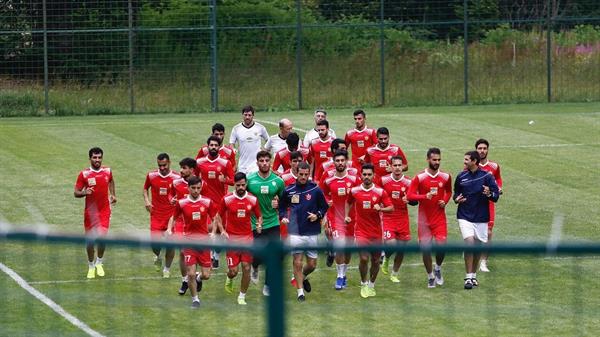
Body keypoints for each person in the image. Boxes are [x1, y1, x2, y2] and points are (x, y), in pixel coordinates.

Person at [166, 176, 218, 309]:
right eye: (193, 188)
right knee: (190, 273)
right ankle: (195, 299)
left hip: (204, 243)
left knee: (206, 275)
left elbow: (215, 218)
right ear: (188, 188)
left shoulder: (207, 202)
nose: (196, 191)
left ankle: (199, 278)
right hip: (188, 241)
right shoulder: (182, 203)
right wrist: (169, 229)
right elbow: (173, 217)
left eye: (198, 188)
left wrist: (212, 233)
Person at [279, 162, 329, 302]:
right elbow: (282, 207)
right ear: (296, 171)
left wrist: (317, 215)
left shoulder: (315, 190)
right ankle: (300, 293)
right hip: (295, 231)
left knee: (312, 264)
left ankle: (301, 276)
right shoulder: (289, 190)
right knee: (297, 262)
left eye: (306, 175)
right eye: (301, 174)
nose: (303, 177)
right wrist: (283, 217)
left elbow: (324, 207)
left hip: (312, 231)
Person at [345, 163, 393, 298]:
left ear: (374, 176)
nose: (366, 177)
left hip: (376, 232)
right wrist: (347, 215)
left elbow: (391, 207)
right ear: (360, 175)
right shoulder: (354, 191)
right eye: (364, 174)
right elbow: (348, 202)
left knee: (376, 261)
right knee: (364, 258)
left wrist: (381, 209)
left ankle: (371, 284)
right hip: (361, 231)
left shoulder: (380, 192)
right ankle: (363, 283)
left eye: (369, 175)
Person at [454, 151, 500, 290]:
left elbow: (496, 195)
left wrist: (489, 193)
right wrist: (457, 199)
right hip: (464, 216)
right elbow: (455, 193)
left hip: (481, 217)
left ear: (474, 161)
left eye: (467, 160)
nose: (464, 162)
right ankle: (468, 277)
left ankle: (473, 275)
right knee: (469, 243)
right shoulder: (461, 176)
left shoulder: (487, 176)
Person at [407, 148, 452, 289]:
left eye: (439, 160)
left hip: (439, 218)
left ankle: (438, 268)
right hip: (424, 221)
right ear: (428, 159)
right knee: (425, 250)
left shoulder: (445, 176)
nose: (437, 162)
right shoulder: (419, 177)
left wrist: (445, 200)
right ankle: (430, 276)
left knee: (442, 247)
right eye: (434, 160)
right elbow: (410, 196)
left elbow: (449, 191)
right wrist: (424, 196)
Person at [246, 150, 286, 296]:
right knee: (257, 254)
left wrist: (279, 204)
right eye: (261, 161)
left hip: (273, 222)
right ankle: (255, 266)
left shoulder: (278, 181)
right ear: (257, 163)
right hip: (255, 223)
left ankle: (268, 285)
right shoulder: (250, 180)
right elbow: (242, 197)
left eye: (266, 161)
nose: (264, 163)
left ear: (270, 162)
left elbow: (285, 201)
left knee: (274, 255)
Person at [220, 172, 263, 305]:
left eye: (243, 185)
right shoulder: (227, 199)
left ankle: (242, 296)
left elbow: (259, 216)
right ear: (234, 184)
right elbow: (217, 216)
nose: (240, 187)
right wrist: (222, 231)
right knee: (233, 271)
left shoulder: (253, 199)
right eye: (238, 185)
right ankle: (229, 277)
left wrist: (259, 224)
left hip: (247, 239)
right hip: (231, 240)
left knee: (246, 267)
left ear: (246, 184)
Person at [320, 150, 361, 290]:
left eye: (342, 160)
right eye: (337, 161)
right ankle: (339, 276)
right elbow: (321, 194)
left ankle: (344, 274)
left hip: (351, 218)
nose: (340, 163)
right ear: (334, 162)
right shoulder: (328, 178)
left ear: (346, 161)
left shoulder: (354, 179)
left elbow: (361, 194)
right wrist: (327, 203)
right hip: (335, 218)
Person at [74, 147, 117, 279]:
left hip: (104, 210)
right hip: (90, 213)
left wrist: (113, 195)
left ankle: (99, 262)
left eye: (99, 157)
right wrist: (84, 193)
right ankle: (91, 265)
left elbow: (111, 181)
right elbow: (76, 192)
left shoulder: (107, 171)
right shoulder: (84, 174)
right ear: (90, 158)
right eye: (94, 157)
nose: (97, 160)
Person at [196, 135, 235, 268]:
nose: (213, 147)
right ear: (207, 147)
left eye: (215, 145)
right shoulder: (200, 162)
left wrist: (225, 180)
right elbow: (193, 178)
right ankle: (207, 254)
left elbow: (233, 180)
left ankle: (216, 256)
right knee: (207, 228)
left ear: (219, 147)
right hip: (204, 202)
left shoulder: (225, 163)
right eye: (211, 145)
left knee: (218, 230)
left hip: (220, 202)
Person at [377, 156, 416, 283]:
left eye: (400, 165)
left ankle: (394, 274)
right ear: (391, 166)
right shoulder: (383, 180)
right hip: (388, 217)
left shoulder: (409, 182)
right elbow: (377, 194)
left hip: (403, 218)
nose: (398, 168)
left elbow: (415, 201)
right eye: (395, 165)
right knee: (392, 245)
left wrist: (409, 200)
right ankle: (386, 258)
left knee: (401, 250)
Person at [143, 153, 180, 278]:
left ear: (169, 162)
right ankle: (158, 256)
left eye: (164, 165)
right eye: (160, 166)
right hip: (156, 215)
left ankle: (167, 269)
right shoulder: (151, 175)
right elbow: (145, 189)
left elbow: (182, 192)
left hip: (171, 216)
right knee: (154, 244)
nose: (162, 168)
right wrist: (147, 201)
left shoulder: (177, 177)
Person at [475, 138, 503, 272]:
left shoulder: (494, 167)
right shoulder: (471, 165)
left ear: (487, 150)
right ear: (476, 150)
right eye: (480, 148)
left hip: (489, 203)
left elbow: (498, 179)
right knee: (474, 233)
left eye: (484, 148)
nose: (482, 151)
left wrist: (498, 188)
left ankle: (483, 262)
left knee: (489, 232)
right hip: (475, 204)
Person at [171, 157, 197, 295]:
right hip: (181, 222)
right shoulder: (175, 183)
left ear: (192, 170)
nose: (181, 170)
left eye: (184, 168)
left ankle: (194, 276)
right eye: (181, 168)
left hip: (196, 223)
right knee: (182, 251)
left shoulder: (199, 184)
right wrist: (172, 199)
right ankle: (185, 279)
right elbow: (171, 196)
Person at [229, 105, 269, 173]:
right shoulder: (236, 128)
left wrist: (265, 150)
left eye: (249, 115)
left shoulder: (260, 127)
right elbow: (231, 143)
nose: (247, 117)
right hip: (242, 165)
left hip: (256, 165)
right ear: (242, 115)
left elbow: (268, 140)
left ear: (253, 116)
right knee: (243, 183)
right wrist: (233, 150)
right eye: (245, 115)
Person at [308, 119, 334, 184]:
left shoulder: (333, 142)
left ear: (327, 129)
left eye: (322, 130)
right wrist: (310, 175)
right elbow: (312, 161)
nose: (320, 132)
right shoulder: (313, 143)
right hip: (317, 176)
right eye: (318, 130)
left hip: (330, 175)